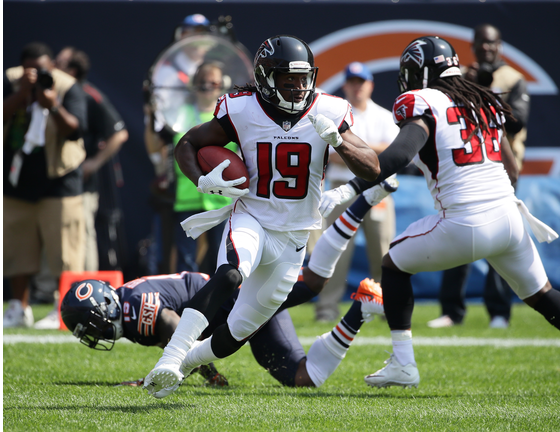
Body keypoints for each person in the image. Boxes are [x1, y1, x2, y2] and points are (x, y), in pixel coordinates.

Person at [322, 35, 560, 395]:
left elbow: (401, 154)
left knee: (392, 265)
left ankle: (403, 363)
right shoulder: (482, 100)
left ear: (422, 70)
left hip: (464, 219)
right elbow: (511, 171)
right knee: (542, 293)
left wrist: (349, 188)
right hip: (509, 217)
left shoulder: (421, 101)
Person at [141, 34, 380, 398]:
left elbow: (373, 168)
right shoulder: (242, 108)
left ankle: (185, 364)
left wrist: (339, 141)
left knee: (237, 332)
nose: (300, 86)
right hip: (253, 215)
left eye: (304, 77)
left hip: (294, 237)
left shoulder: (329, 110)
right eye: (290, 78)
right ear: (267, 77)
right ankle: (169, 358)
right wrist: (202, 180)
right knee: (231, 273)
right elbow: (188, 144)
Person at [61, 179, 397, 394]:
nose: (92, 333)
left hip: (234, 300)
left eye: (89, 324)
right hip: (228, 308)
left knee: (311, 286)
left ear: (105, 306)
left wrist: (194, 368)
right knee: (305, 371)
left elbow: (171, 325)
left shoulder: (133, 306)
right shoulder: (129, 299)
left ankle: (363, 200)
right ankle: (362, 305)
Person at [429, 24, 532, 330]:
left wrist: (482, 95)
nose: (487, 48)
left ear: (499, 45)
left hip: (501, 168)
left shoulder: (513, 79)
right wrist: (465, 84)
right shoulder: (460, 74)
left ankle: (499, 312)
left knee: (501, 240)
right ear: (473, 45)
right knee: (454, 231)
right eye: (482, 43)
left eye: (492, 43)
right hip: (462, 166)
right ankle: (452, 310)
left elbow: (517, 121)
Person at [32, 46, 131, 330]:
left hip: (80, 185)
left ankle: (84, 301)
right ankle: (61, 297)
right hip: (54, 183)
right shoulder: (51, 93)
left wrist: (93, 163)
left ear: (71, 70)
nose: (49, 67)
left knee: (81, 240)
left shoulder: (87, 94)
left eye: (58, 63)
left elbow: (119, 132)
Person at [3, 42, 87, 328]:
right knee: (16, 248)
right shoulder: (9, 81)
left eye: (42, 69)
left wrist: (53, 104)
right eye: (31, 70)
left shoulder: (67, 86)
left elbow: (76, 130)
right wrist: (21, 94)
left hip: (59, 180)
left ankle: (62, 307)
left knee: (65, 251)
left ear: (51, 66)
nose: (37, 74)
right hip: (16, 180)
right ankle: (18, 308)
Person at [313, 61, 399, 322]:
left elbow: (393, 153)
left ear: (370, 85)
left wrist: (350, 150)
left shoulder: (383, 116)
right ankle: (327, 308)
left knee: (383, 251)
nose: (356, 87)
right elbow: (330, 154)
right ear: (345, 85)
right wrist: (368, 153)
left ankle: (386, 306)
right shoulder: (337, 114)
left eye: (360, 82)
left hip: (378, 189)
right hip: (340, 189)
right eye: (352, 82)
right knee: (335, 250)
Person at [148, 61, 237, 276]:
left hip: (221, 196)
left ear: (222, 85)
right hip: (188, 193)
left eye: (213, 83)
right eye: (203, 83)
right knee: (185, 258)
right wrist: (152, 115)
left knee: (221, 257)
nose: (208, 87)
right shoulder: (178, 114)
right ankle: (185, 301)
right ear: (194, 85)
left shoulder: (230, 113)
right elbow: (153, 146)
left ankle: (221, 305)